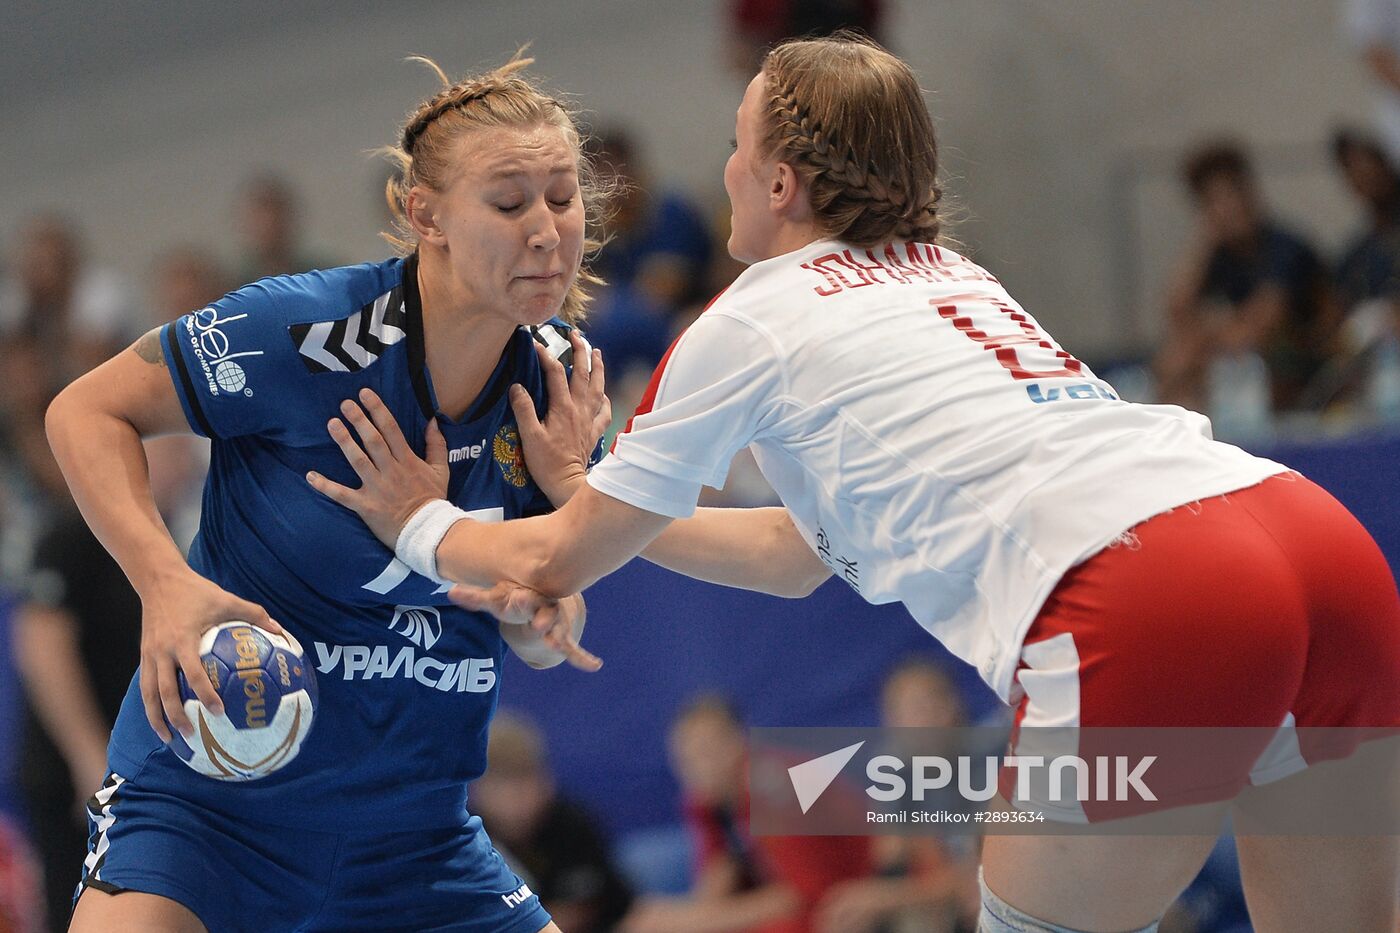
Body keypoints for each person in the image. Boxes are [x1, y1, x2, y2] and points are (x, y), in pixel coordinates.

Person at [313, 34, 1400, 933]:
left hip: (1156, 586)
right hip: (1310, 539)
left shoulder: (747, 318)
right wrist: (587, 495)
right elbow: (797, 555)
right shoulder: (955, 277)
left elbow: (557, 558)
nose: (724, 170)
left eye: (735, 148)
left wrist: (419, 521)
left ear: (780, 183)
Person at [44, 52, 612, 933]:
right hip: (208, 816)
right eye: (509, 204)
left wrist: (539, 609)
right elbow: (85, 410)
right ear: (426, 215)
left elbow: (540, 632)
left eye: (563, 198)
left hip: (415, 839)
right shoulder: (304, 332)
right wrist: (163, 582)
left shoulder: (559, 380)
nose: (547, 230)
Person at [622, 695, 870, 933]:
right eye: (685, 758)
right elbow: (717, 878)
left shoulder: (773, 790)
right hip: (798, 897)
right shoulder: (706, 801)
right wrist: (680, 917)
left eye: (706, 752)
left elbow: (799, 897)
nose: (697, 768)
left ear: (738, 743)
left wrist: (691, 922)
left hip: (856, 891)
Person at [1154, 141, 1337, 417]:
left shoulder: (1286, 248)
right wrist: (1204, 241)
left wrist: (1207, 339)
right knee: (1176, 358)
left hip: (1308, 361)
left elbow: (1263, 324)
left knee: (1206, 358)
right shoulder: (1221, 255)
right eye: (1213, 201)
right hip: (1248, 359)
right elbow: (1177, 311)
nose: (1228, 208)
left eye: (1232, 194)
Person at [473, 710, 633, 932]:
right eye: (503, 785)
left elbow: (607, 906)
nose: (518, 799)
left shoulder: (572, 825)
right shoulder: (465, 839)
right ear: (479, 789)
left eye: (526, 780)